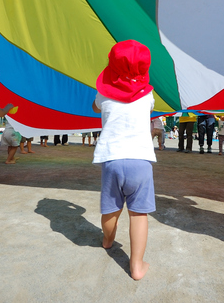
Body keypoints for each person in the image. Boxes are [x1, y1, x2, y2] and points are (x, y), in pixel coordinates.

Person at [91, 40, 156, 281]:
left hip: (112, 160)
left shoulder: (102, 95)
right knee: (139, 214)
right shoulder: (148, 95)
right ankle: (136, 266)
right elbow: (143, 102)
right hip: (141, 161)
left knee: (111, 210)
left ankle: (108, 241)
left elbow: (96, 107)